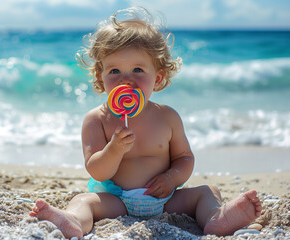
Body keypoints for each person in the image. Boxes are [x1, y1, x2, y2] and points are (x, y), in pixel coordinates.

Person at [30, 7, 262, 239]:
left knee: (206, 192)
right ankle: (73, 221)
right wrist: (114, 149)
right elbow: (97, 171)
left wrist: (172, 178)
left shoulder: (167, 117)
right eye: (114, 70)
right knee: (84, 201)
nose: (126, 79)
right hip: (117, 201)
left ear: (158, 77)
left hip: (166, 200)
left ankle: (216, 218)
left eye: (138, 69)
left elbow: (185, 158)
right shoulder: (96, 119)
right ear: (101, 76)